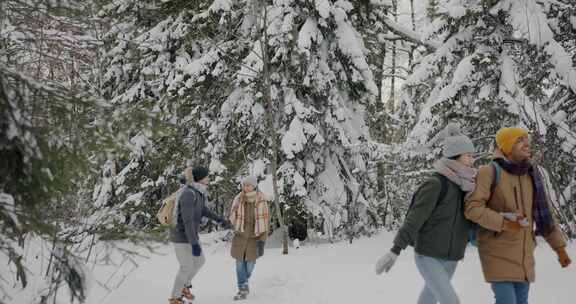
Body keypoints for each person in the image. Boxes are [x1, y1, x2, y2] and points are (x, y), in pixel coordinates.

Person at [464, 127, 572, 304]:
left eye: (527, 140)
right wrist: (505, 222)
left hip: (524, 253)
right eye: (520, 140)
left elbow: (545, 216)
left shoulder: (530, 174)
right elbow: (473, 208)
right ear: (507, 147)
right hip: (496, 250)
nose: (527, 144)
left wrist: (559, 249)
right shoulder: (489, 172)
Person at [375, 123, 477, 304]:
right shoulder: (436, 184)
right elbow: (414, 219)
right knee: (451, 301)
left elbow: (468, 221)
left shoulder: (466, 186)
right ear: (455, 156)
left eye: (472, 156)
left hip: (452, 257)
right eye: (468, 156)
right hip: (428, 256)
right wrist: (395, 250)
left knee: (427, 300)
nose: (472, 160)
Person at [169, 166, 232, 304]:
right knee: (186, 266)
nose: (208, 178)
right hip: (181, 236)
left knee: (199, 261)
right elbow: (187, 221)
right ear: (200, 178)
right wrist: (194, 243)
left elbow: (204, 210)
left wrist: (221, 220)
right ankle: (175, 297)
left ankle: (184, 286)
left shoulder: (198, 193)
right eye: (206, 176)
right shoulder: (188, 194)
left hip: (190, 235)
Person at [229, 176, 270, 300]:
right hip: (240, 238)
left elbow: (265, 222)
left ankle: (244, 282)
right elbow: (232, 216)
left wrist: (262, 242)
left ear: (254, 186)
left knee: (250, 265)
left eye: (248, 185)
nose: (246, 187)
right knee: (239, 265)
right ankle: (242, 288)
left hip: (254, 239)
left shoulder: (261, 200)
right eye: (244, 185)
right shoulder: (238, 199)